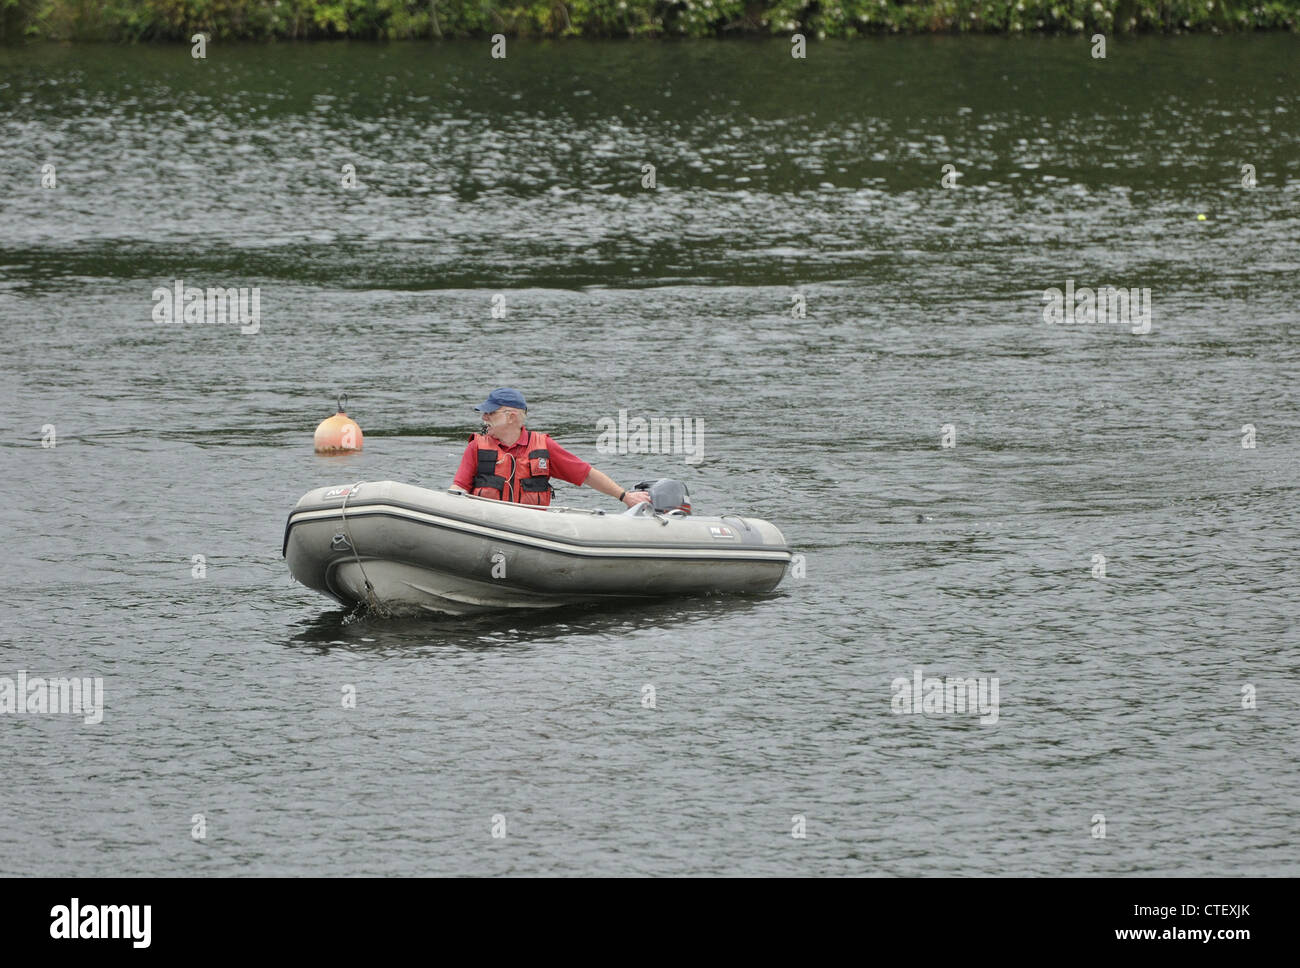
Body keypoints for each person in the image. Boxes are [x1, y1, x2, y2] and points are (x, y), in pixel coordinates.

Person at [451, 388, 652, 509]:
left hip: (530, 530)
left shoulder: (544, 447)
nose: (484, 418)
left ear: (511, 416)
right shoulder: (476, 447)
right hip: (487, 525)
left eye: (490, 413)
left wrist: (625, 497)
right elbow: (458, 488)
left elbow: (587, 474)